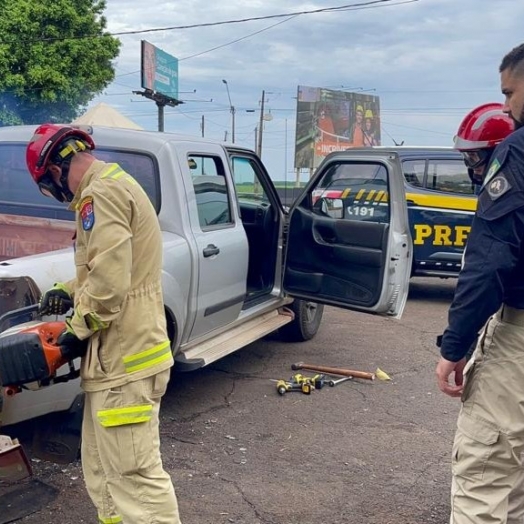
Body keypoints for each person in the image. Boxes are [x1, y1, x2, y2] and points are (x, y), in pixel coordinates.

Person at [26, 124, 182, 524]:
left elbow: (110, 289)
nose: (56, 197)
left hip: (125, 362)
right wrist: (68, 287)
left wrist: (73, 332)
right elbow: (110, 267)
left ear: (55, 172)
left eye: (47, 188)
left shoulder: (101, 194)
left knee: (135, 482)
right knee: (104, 475)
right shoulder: (114, 184)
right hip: (116, 364)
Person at [436, 42, 524, 524]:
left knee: (485, 477)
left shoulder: (515, 153)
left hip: (518, 342)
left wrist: (455, 347)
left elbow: (488, 265)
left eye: (510, 92)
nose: (508, 105)